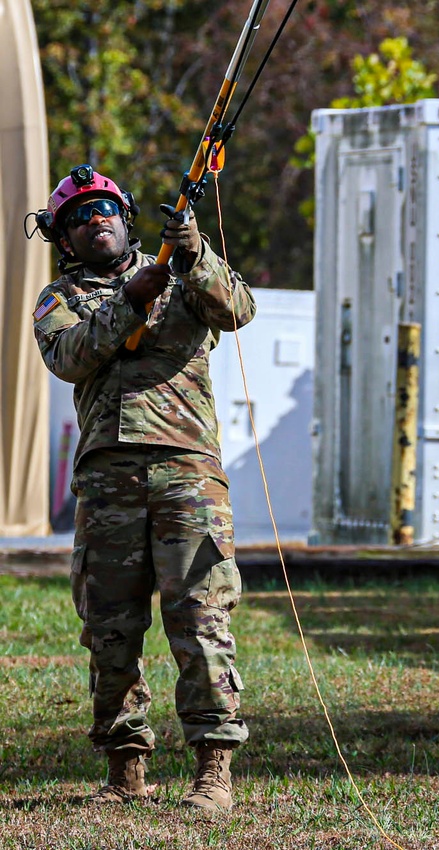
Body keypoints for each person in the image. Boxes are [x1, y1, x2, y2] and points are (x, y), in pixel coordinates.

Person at [29, 164, 256, 810]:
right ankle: (124, 770)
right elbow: (70, 356)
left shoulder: (182, 274)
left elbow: (238, 310)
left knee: (201, 618)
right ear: (62, 239)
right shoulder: (59, 300)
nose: (93, 220)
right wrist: (132, 301)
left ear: (125, 218)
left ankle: (213, 772)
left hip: (189, 472)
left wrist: (194, 252)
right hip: (108, 479)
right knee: (110, 628)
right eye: (77, 217)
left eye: (104, 209)